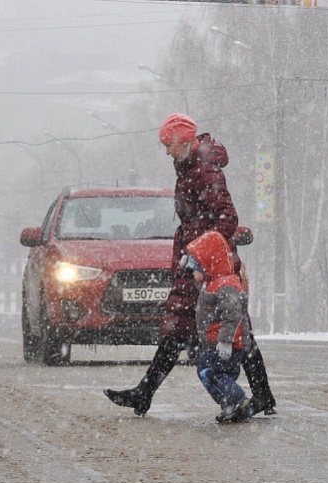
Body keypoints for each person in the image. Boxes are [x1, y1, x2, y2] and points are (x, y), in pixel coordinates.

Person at [104, 113, 276, 417]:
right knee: (185, 327)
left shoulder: (205, 171)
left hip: (208, 267)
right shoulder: (189, 167)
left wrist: (201, 255)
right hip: (197, 264)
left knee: (227, 328)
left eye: (169, 145)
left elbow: (227, 219)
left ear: (185, 141)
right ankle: (147, 392)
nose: (166, 151)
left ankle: (147, 392)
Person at [186, 230, 252, 423]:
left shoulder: (225, 284)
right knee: (219, 375)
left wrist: (225, 341)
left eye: (195, 266)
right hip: (221, 344)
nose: (192, 272)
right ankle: (229, 405)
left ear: (207, 264)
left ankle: (237, 399)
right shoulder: (215, 282)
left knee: (208, 372)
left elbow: (231, 314)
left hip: (227, 344)